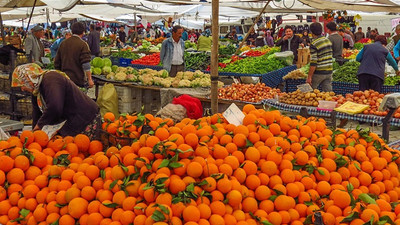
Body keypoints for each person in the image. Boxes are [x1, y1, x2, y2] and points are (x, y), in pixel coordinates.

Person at [11, 63, 100, 138]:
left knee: (86, 152)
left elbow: (55, 107)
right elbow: (37, 114)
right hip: (70, 120)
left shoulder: (51, 79)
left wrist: (39, 126)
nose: (22, 89)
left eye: (22, 84)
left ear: (29, 78)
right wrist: (34, 133)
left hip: (85, 117)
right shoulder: (36, 91)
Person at [55, 22, 93, 89]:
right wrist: (89, 79)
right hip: (77, 79)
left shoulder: (63, 43)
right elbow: (86, 63)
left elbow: (57, 62)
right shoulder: (83, 44)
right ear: (83, 32)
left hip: (64, 79)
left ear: (72, 31)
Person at [306, 22, 333, 92]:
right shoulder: (327, 40)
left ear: (312, 32)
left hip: (319, 72)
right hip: (329, 71)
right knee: (328, 94)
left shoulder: (314, 43)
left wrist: (309, 77)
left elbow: (313, 62)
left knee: (310, 92)